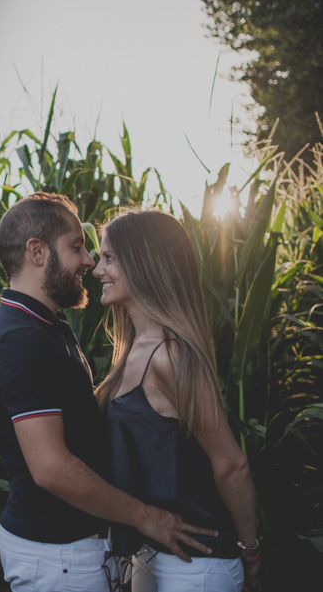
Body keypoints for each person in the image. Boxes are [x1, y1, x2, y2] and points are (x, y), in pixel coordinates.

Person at [0, 193, 215, 591]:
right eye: (76, 247)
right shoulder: (21, 340)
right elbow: (52, 468)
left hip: (68, 552)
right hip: (58, 555)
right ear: (37, 252)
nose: (88, 261)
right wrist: (146, 517)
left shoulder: (43, 327)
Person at [93, 208, 260, 591]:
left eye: (109, 257)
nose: (98, 270)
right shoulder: (132, 350)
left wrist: (250, 551)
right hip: (149, 557)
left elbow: (232, 464)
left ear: (144, 262)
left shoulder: (171, 355)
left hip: (195, 564)